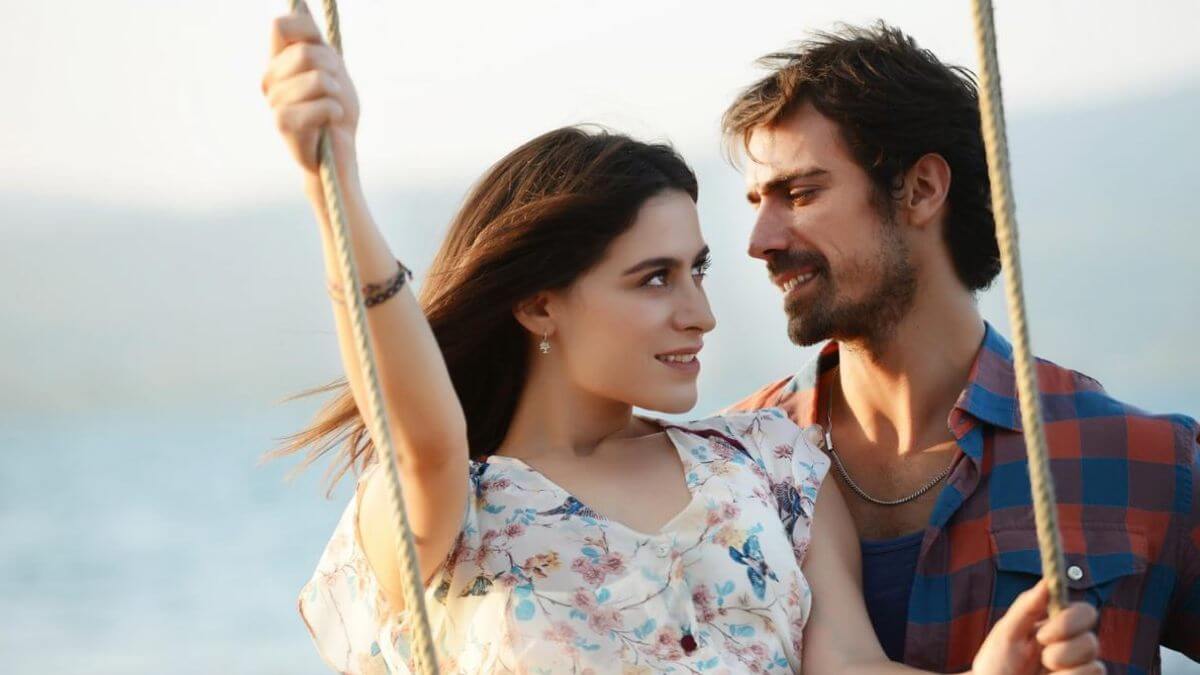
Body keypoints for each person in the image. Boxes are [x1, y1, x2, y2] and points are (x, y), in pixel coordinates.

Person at [260, 8, 1102, 674]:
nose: (700, 311)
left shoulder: (773, 465)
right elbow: (425, 441)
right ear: (539, 305)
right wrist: (333, 189)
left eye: (697, 270)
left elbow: (847, 664)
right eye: (654, 277)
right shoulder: (452, 506)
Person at [719, 21, 1200, 674]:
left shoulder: (1149, 464)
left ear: (921, 190)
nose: (760, 238)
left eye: (800, 193)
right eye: (756, 201)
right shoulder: (730, 471)